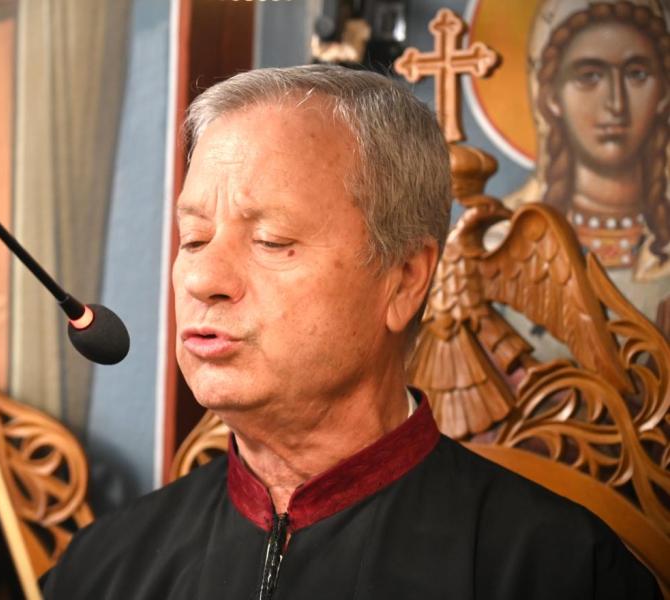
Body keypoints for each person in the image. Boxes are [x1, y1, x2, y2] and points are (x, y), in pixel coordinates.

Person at [42, 65, 658, 599]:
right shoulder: (101, 569)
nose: (203, 278)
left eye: (271, 241)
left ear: (405, 279)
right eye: (194, 238)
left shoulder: (560, 570)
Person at [508, 0, 670, 333]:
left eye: (637, 74)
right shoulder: (501, 241)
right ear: (551, 96)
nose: (615, 103)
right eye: (589, 76)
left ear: (664, 94)